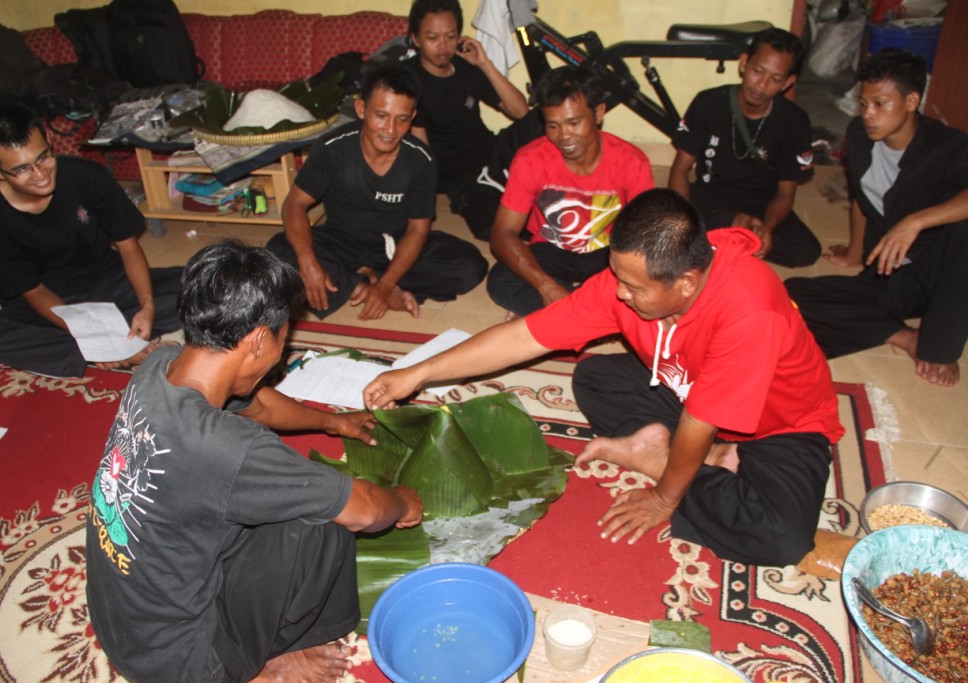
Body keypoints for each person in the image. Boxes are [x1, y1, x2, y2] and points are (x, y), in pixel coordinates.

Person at [366, 189, 844, 567]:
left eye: (633, 287)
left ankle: (659, 457)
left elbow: (700, 421)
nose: (619, 294)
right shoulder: (637, 279)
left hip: (780, 426)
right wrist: (421, 372)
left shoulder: (749, 311)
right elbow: (527, 335)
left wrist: (663, 496)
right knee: (595, 377)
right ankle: (693, 453)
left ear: (687, 283)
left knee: (781, 539)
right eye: (617, 277)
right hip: (690, 392)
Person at [85, 240, 424, 683]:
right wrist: (402, 501)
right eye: (284, 336)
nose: (285, 346)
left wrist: (333, 422)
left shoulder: (161, 365)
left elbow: (258, 406)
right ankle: (268, 658)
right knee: (325, 518)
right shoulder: (227, 449)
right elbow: (364, 510)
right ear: (260, 339)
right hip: (183, 663)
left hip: (122, 623)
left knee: (290, 499)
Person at [0, 102, 181, 378]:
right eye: (22, 169)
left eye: (43, 157)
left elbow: (127, 245)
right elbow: (34, 291)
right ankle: (100, 347)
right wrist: (94, 338)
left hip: (110, 282)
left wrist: (147, 306)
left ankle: (122, 333)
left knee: (211, 283)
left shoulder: (87, 176)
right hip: (49, 307)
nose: (40, 174)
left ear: (50, 144)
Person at [786, 49, 968, 388]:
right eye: (863, 103)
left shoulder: (947, 145)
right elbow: (860, 196)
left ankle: (939, 348)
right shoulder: (859, 135)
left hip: (944, 277)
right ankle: (904, 336)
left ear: (911, 101)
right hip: (891, 271)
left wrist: (915, 221)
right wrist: (855, 254)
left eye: (880, 104)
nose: (868, 114)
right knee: (791, 295)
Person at [266, 63, 487, 321]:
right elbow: (294, 205)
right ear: (361, 109)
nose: (390, 130)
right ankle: (362, 287)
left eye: (402, 119)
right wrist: (308, 262)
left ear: (413, 116)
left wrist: (385, 284)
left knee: (470, 266)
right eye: (381, 116)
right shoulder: (332, 147)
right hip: (341, 242)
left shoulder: (421, 159)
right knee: (278, 252)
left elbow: (418, 229)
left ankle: (365, 283)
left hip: (395, 245)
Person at [487, 65, 654, 319]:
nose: (564, 136)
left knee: (652, 280)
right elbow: (502, 234)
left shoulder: (632, 162)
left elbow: (646, 237)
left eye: (574, 122)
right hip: (552, 251)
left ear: (599, 112)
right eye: (553, 125)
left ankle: (565, 313)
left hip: (609, 252)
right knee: (501, 280)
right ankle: (587, 312)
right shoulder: (530, 159)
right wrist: (545, 285)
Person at [668, 27, 818, 268]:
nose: (761, 85)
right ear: (744, 63)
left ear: (788, 82)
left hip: (761, 204)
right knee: (669, 217)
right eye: (758, 71)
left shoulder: (795, 121)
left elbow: (785, 193)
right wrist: (686, 221)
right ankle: (731, 235)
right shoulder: (709, 102)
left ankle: (725, 239)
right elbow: (680, 169)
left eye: (775, 79)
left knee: (805, 251)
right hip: (711, 196)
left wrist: (768, 226)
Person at [407, 0, 540, 240]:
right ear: (416, 39)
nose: (442, 46)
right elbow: (420, 152)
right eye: (432, 38)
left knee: (542, 119)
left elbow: (521, 111)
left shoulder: (466, 66)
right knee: (496, 227)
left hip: (493, 152)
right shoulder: (410, 80)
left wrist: (484, 64)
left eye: (450, 36)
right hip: (461, 178)